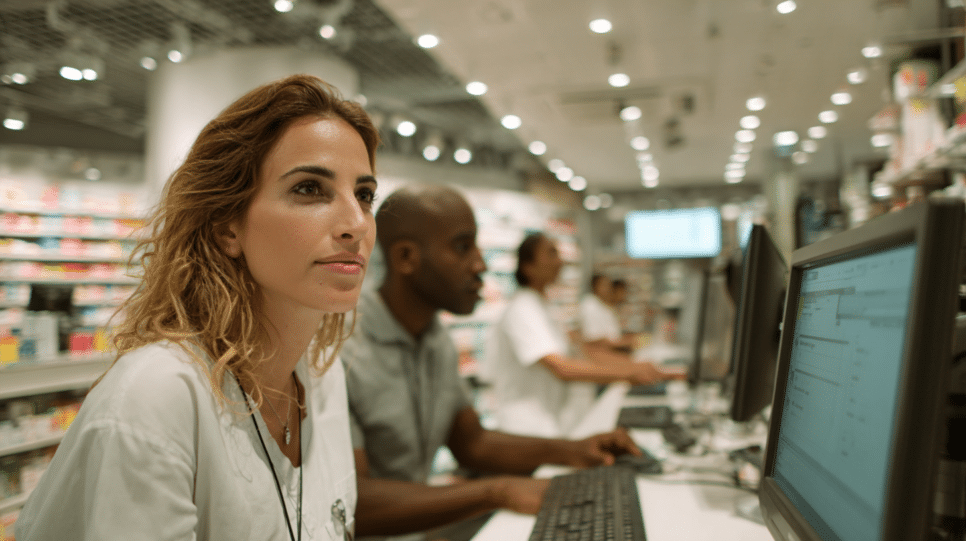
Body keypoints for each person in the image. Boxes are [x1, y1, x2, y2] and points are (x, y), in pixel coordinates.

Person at [14, 74, 379, 540]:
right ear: (228, 225)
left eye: (364, 195)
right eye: (309, 189)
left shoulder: (323, 377)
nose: (355, 223)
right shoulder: (157, 397)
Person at [340, 185, 644, 539]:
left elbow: (471, 443)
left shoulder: (435, 339)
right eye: (462, 247)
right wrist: (498, 492)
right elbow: (353, 502)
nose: (480, 264)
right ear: (406, 257)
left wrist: (576, 451)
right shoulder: (342, 351)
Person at [486, 232, 682, 438]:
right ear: (528, 266)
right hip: (527, 427)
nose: (560, 261)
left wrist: (638, 367)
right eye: (551, 254)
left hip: (548, 421)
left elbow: (583, 352)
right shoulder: (523, 309)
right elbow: (561, 367)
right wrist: (629, 374)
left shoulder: (544, 307)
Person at [578, 274, 635, 353]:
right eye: (604, 285)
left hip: (611, 351)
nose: (608, 289)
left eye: (609, 285)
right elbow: (592, 339)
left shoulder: (604, 307)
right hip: (601, 354)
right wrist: (622, 343)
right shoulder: (590, 305)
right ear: (595, 286)